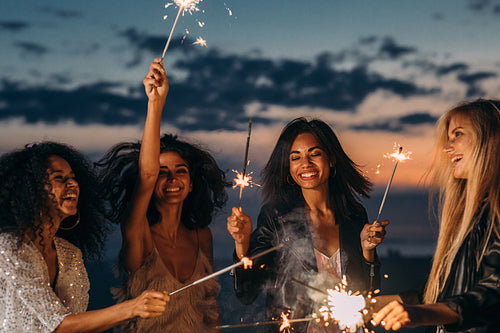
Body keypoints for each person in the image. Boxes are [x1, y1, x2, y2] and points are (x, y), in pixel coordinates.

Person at [97, 59, 229, 332]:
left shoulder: (201, 236)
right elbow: (146, 175)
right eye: (162, 171)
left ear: (192, 183)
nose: (172, 179)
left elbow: (210, 307)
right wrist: (155, 104)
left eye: (181, 171)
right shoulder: (139, 233)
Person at [227, 117, 389, 332]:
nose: (306, 164)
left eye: (314, 154)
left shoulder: (354, 214)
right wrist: (242, 243)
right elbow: (247, 294)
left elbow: (370, 293)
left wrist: (368, 252)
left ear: (331, 159)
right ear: (288, 167)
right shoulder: (276, 217)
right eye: (296, 157)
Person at [0, 141, 169, 333]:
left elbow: (77, 324)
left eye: (73, 177)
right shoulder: (8, 248)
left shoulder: (70, 255)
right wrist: (132, 308)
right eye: (59, 178)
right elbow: (58, 325)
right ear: (30, 190)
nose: (72, 184)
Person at [371, 99, 500, 332]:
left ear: (490, 138)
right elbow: (442, 293)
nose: (446, 148)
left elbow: (493, 291)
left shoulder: (496, 210)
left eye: (457, 134)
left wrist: (420, 315)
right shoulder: (473, 215)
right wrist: (367, 306)